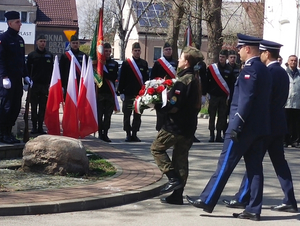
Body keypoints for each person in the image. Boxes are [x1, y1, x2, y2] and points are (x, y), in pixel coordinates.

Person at [186, 33, 272, 221]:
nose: (239, 52)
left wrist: (237, 123)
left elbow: (246, 99)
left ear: (247, 49)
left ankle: (207, 199)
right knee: (255, 169)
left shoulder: (251, 68)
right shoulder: (264, 69)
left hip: (243, 128)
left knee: (225, 164)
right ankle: (253, 209)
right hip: (260, 128)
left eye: (240, 49)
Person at [222, 40, 298, 213]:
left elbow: (262, 100)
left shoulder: (269, 71)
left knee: (254, 164)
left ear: (266, 54)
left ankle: (243, 198)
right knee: (279, 163)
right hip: (278, 123)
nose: (260, 55)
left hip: (266, 125)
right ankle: (289, 199)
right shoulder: (281, 72)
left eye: (262, 52)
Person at [151, 46, 203, 205]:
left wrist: (157, 106)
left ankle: (172, 179)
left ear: (186, 62)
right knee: (180, 160)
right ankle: (177, 195)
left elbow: (175, 105)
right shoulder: (194, 79)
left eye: (181, 58)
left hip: (175, 126)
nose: (178, 60)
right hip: (189, 127)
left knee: (156, 148)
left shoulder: (183, 81)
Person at [0, 11, 32, 144]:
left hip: (17, 79)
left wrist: (25, 76)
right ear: (10, 23)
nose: (20, 24)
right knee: (6, 107)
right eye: (17, 22)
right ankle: (2, 133)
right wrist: (4, 76)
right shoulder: (4, 38)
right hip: (7, 80)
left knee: (16, 107)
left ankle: (9, 132)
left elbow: (21, 61)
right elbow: (1, 59)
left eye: (20, 22)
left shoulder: (20, 40)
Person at [117, 42, 149, 142]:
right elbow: (122, 78)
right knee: (127, 114)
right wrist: (121, 91)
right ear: (132, 51)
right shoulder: (127, 63)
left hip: (139, 94)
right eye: (135, 51)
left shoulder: (144, 63)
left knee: (138, 114)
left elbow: (146, 79)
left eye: (139, 51)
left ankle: (134, 133)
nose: (137, 52)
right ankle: (128, 133)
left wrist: (146, 92)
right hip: (128, 93)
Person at [26, 34, 54, 134]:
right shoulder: (32, 55)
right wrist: (28, 80)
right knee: (33, 107)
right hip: (34, 85)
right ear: (37, 42)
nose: (43, 43)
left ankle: (40, 127)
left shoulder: (49, 55)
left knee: (43, 107)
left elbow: (52, 70)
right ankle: (34, 127)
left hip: (44, 85)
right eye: (41, 41)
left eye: (44, 41)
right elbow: (27, 70)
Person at [207, 49, 235, 142]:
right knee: (212, 115)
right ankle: (211, 134)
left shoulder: (229, 69)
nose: (221, 59)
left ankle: (219, 135)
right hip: (214, 96)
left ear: (226, 58)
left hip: (223, 97)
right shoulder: (213, 68)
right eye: (220, 57)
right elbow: (208, 81)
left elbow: (231, 83)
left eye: (223, 57)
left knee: (222, 116)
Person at [150, 42, 178, 132]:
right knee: (161, 112)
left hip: (172, 90)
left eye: (170, 49)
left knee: (171, 111)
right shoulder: (158, 63)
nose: (168, 51)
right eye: (166, 50)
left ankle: (170, 130)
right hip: (161, 91)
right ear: (163, 51)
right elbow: (153, 77)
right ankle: (160, 129)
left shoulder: (175, 62)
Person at [97, 43, 119, 142]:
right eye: (106, 51)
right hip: (99, 93)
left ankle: (105, 133)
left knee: (108, 116)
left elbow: (113, 77)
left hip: (109, 93)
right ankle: (100, 133)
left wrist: (103, 72)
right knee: (99, 115)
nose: (107, 53)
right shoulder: (98, 63)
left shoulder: (114, 64)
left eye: (109, 51)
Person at [284, 55, 300, 147]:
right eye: (292, 60)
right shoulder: (284, 73)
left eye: (295, 60)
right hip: (286, 102)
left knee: (295, 123)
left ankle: (295, 140)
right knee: (286, 121)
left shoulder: (299, 73)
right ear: (288, 61)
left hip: (297, 102)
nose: (293, 62)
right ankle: (285, 140)